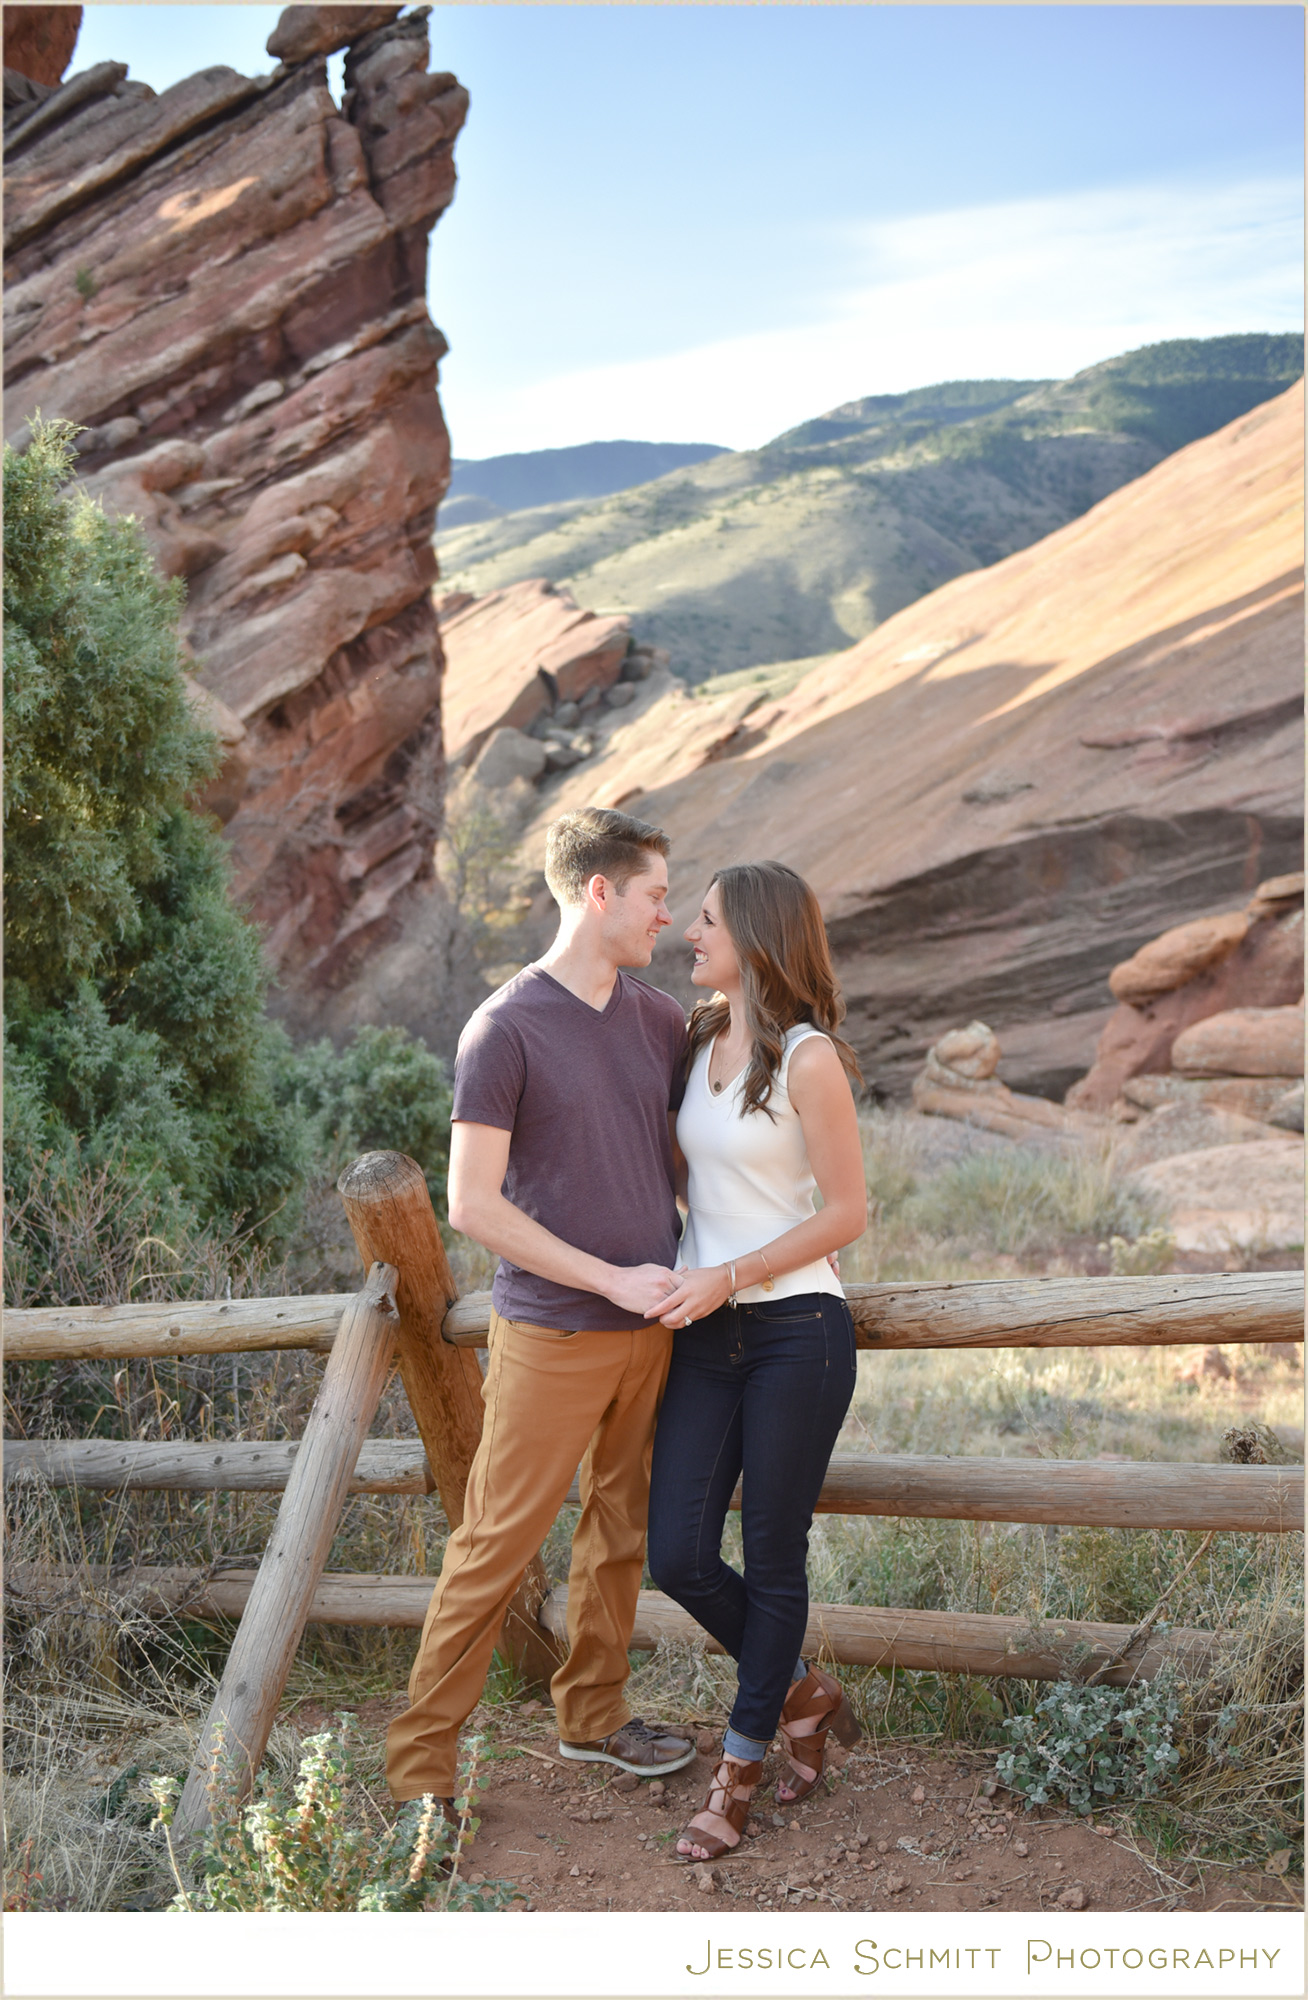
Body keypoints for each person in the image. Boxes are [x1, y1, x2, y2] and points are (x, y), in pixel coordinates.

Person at [385, 807, 697, 1813]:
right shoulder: (504, 1028)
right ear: (599, 890)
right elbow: (471, 1203)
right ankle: (420, 1772)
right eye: (654, 892)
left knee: (619, 1530)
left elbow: (683, 1168)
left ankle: (595, 1716)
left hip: (657, 1330)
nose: (667, 912)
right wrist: (609, 1278)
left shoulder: (658, 1020)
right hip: (556, 1333)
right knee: (495, 1544)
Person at [644, 860, 868, 1862]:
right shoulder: (696, 1040)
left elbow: (846, 1213)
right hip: (705, 1331)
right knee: (679, 1553)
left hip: (795, 1331)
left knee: (774, 1555)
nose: (689, 933)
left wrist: (729, 1274)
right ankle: (802, 1693)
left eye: (705, 920)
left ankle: (736, 1772)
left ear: (757, 935)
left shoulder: (810, 1057)